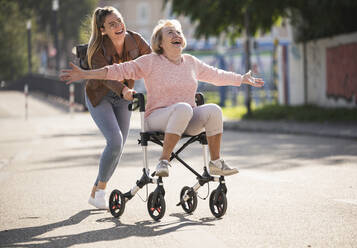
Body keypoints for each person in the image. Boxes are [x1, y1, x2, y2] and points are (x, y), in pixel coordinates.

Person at [60, 19, 264, 180]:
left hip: (186, 118)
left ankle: (216, 162)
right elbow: (117, 70)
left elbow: (217, 75)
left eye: (179, 33)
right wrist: (87, 74)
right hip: (157, 118)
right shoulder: (150, 61)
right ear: (160, 42)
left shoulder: (191, 62)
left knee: (213, 110)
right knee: (183, 108)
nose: (177, 35)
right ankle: (163, 161)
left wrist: (242, 79)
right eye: (171, 33)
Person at [79, 6, 151, 210]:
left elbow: (152, 61)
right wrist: (124, 90)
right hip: (100, 96)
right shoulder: (96, 50)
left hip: (124, 97)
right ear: (103, 30)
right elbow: (107, 77)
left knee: (118, 147)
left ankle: (95, 191)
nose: (119, 26)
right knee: (115, 140)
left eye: (119, 21)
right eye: (112, 24)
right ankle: (101, 191)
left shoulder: (135, 39)